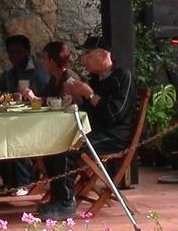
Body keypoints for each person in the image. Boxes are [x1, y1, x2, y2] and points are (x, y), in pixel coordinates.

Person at [39, 36, 136, 220]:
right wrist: (75, 98)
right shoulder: (95, 78)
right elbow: (88, 112)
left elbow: (114, 114)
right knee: (55, 144)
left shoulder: (122, 76)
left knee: (69, 149)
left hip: (115, 136)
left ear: (102, 55)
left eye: (87, 55)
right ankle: (58, 199)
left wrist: (89, 93)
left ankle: (67, 204)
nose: (83, 61)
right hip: (94, 131)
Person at [0, 35, 48, 196]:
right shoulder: (9, 72)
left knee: (15, 137)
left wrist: (31, 97)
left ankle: (24, 182)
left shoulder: (38, 73)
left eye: (18, 52)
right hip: (15, 118)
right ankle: (10, 181)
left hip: (36, 121)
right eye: (11, 52)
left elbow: (46, 98)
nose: (15, 56)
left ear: (27, 52)